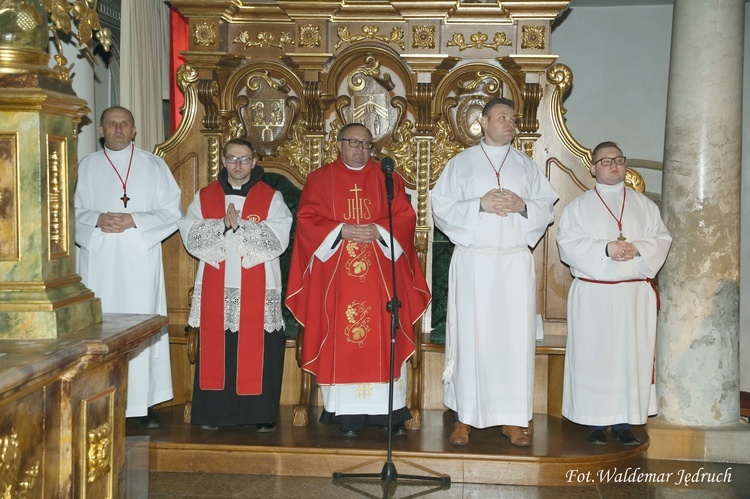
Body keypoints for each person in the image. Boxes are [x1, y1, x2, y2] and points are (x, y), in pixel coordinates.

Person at [286, 123, 431, 436]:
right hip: (337, 279)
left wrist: (379, 229)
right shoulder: (320, 179)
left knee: (383, 334)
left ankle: (390, 414)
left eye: (366, 144)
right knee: (342, 334)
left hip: (380, 278)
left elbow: (405, 216)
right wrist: (341, 230)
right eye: (353, 142)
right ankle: (347, 416)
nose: (360, 149)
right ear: (339, 145)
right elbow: (307, 220)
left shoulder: (389, 177)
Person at [431, 97, 558, 447]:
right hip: (476, 262)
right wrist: (480, 206)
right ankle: (465, 418)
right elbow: (440, 208)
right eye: (501, 117)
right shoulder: (462, 164)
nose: (509, 123)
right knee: (473, 338)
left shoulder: (526, 165)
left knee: (513, 340)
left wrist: (523, 206)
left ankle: (514, 418)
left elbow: (546, 206)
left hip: (514, 263)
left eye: (512, 119)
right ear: (482, 124)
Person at [557, 141, 671, 445]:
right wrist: (606, 249)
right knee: (594, 358)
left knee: (630, 358)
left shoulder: (644, 205)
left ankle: (624, 422)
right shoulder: (578, 206)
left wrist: (637, 249)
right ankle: (594, 422)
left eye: (619, 159)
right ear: (593, 168)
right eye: (605, 161)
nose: (613, 165)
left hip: (633, 296)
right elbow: (567, 245)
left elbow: (661, 238)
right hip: (596, 295)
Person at [75, 105, 182, 428]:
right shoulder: (86, 166)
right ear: (101, 130)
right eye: (112, 124)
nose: (118, 129)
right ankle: (98, 401)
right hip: (98, 261)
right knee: (100, 327)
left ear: (134, 130)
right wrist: (95, 219)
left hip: (139, 259)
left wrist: (134, 219)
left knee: (140, 325)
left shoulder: (154, 165)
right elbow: (67, 211)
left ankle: (140, 404)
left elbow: (172, 212)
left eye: (124, 124)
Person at [178, 138, 293, 431]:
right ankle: (213, 414)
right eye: (232, 159)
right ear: (224, 161)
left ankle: (260, 415)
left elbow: (279, 236)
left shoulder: (271, 197)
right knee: (219, 347)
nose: (238, 165)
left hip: (258, 285)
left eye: (244, 159)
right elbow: (190, 233)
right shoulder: (205, 197)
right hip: (219, 286)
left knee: (260, 347)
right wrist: (221, 226)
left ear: (254, 162)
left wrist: (242, 226)